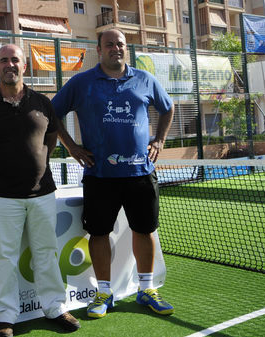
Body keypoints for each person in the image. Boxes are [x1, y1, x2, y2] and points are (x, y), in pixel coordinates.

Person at [51, 28, 175, 319]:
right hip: (99, 176)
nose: (115, 48)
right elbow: (52, 113)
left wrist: (159, 140)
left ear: (125, 48)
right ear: (99, 49)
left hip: (140, 173)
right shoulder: (81, 83)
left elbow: (167, 108)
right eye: (109, 44)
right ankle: (104, 292)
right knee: (99, 233)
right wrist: (72, 147)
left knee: (144, 230)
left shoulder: (145, 79)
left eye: (120, 44)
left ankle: (147, 289)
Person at [0, 44, 80, 337]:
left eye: (14, 59)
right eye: (3, 60)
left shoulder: (42, 102)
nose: (9, 64)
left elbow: (51, 137)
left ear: (24, 66)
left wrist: (38, 162)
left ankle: (54, 307)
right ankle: (5, 316)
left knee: (46, 253)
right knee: (5, 258)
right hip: (2, 196)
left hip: (42, 194)